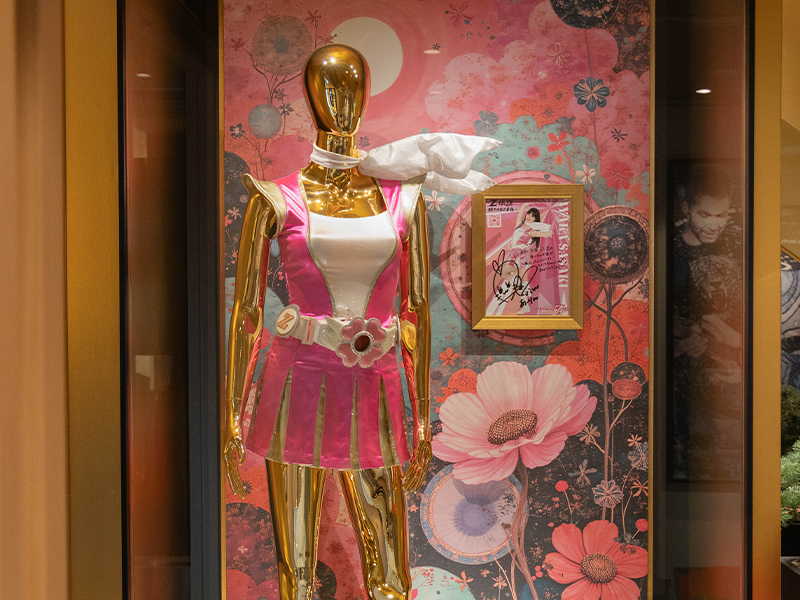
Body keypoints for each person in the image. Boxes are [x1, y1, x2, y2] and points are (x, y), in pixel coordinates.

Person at [223, 44, 496, 600]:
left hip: (376, 388)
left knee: (391, 569)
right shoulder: (274, 199)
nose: (341, 103)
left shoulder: (404, 199)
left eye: (352, 89)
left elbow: (416, 312)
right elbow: (246, 314)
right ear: (308, 98)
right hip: (295, 384)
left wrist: (422, 418)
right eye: (329, 89)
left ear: (367, 96)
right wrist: (230, 416)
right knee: (297, 570)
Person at [671, 166, 743, 480]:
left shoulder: (741, 241)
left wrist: (738, 342)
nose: (714, 225)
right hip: (685, 391)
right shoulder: (671, 249)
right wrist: (678, 344)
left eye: (721, 215)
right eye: (704, 214)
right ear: (686, 208)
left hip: (737, 383)